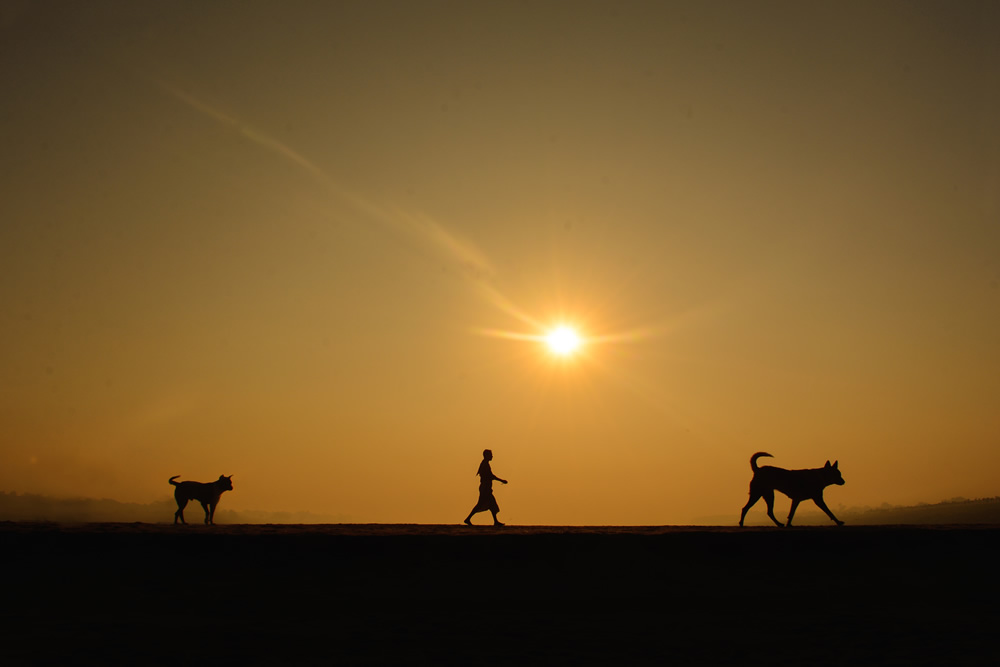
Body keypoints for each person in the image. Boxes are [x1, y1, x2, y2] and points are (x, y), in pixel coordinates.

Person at [464, 449, 507, 526]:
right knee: (480, 504)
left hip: (486, 487)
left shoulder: (485, 464)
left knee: (491, 504)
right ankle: (468, 519)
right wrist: (501, 480)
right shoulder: (485, 465)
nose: (492, 456)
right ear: (486, 455)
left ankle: (495, 521)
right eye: (491, 454)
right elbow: (490, 476)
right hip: (485, 488)